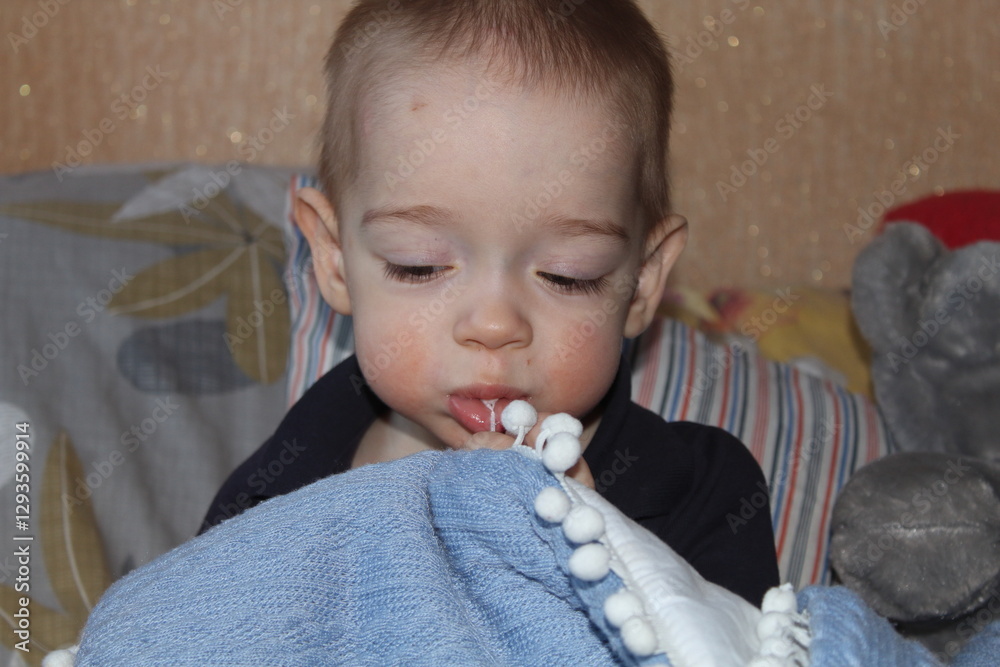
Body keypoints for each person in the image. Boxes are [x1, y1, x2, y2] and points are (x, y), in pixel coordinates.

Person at [202, 0, 779, 606]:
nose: (495, 325)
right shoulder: (270, 496)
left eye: (567, 275)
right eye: (419, 265)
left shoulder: (703, 494)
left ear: (642, 279)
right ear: (334, 258)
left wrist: (601, 561)